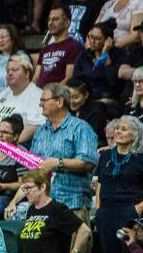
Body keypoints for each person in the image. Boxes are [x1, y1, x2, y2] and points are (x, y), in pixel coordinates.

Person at [95, 115, 143, 253]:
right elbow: (100, 183)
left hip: (128, 213)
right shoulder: (105, 156)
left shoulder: (141, 159)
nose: (118, 132)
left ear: (135, 135)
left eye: (124, 129)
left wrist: (137, 209)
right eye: (118, 128)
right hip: (105, 212)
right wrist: (98, 208)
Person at [28, 81, 99, 213]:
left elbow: (87, 162)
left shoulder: (81, 128)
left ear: (59, 102)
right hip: (42, 204)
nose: (40, 104)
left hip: (72, 204)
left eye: (44, 100)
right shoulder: (40, 131)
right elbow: (34, 164)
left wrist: (57, 163)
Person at [13, 170, 92, 253]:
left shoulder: (57, 209)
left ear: (42, 187)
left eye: (29, 188)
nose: (26, 192)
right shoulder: (31, 209)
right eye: (24, 189)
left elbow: (84, 230)